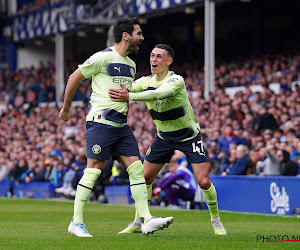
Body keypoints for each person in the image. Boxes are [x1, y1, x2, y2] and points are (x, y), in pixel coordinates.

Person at [59, 18, 173, 238]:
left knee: (136, 168)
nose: (141, 38)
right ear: (125, 35)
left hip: (120, 125)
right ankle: (76, 222)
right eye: (138, 33)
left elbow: (126, 95)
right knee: (94, 170)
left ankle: (146, 219)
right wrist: (66, 109)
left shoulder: (131, 65)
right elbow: (74, 77)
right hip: (100, 122)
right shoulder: (102, 57)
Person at [109, 44, 226, 235]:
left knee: (203, 182)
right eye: (152, 56)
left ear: (169, 61)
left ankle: (216, 220)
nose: (154, 59)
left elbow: (157, 93)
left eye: (159, 56)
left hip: (189, 136)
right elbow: (125, 87)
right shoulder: (144, 81)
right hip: (163, 138)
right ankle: (139, 220)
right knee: (144, 178)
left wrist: (129, 96)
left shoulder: (176, 80)